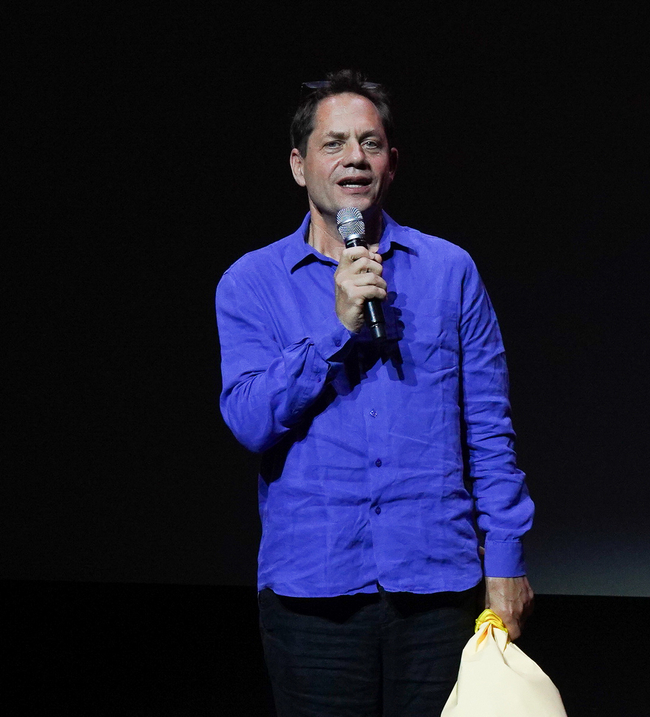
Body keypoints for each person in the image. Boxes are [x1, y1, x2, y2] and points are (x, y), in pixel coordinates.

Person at [215, 69, 534, 717]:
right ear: (300, 166)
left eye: (371, 143)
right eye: (333, 144)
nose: (354, 157)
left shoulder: (450, 271)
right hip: (314, 597)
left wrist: (506, 556)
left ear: (392, 164)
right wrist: (335, 328)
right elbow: (249, 421)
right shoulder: (250, 283)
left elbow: (490, 432)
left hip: (438, 589)